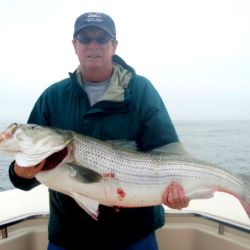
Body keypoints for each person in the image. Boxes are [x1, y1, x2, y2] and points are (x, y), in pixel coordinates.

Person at [9, 12, 189, 250]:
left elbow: (168, 152)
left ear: (114, 45)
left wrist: (179, 191)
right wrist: (20, 172)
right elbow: (25, 174)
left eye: (101, 38)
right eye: (85, 38)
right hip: (69, 237)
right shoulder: (53, 97)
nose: (93, 45)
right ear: (75, 45)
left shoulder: (141, 91)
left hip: (134, 236)